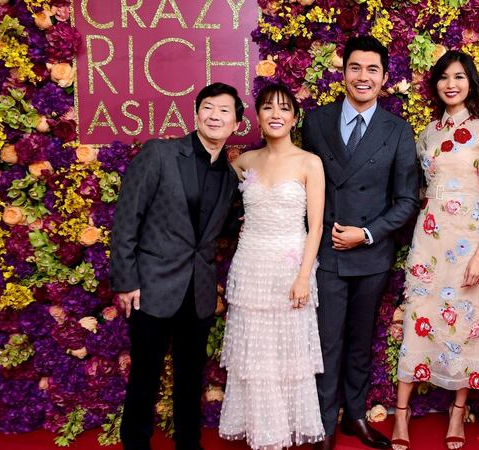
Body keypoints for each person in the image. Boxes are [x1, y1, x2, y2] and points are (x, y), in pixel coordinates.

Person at [391, 50, 479, 450]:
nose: (451, 84)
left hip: (469, 236)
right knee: (418, 315)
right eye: (444, 77)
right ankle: (401, 415)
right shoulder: (427, 133)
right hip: (429, 236)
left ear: (470, 82)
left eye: (459, 77)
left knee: (468, 319)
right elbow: (421, 190)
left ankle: (457, 412)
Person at [301, 35, 420, 450]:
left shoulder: (398, 131)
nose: (363, 76)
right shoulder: (315, 122)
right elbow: (302, 187)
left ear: (385, 77)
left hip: (371, 254)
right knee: (327, 341)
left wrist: (366, 233)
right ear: (344, 72)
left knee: (359, 342)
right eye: (356, 67)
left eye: (372, 69)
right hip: (328, 253)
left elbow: (406, 200)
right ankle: (322, 425)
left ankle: (353, 417)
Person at [110, 82, 244, 450]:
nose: (215, 116)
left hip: (198, 291)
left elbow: (218, 228)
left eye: (224, 111)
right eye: (208, 108)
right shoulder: (160, 154)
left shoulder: (230, 177)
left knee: (190, 376)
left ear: (236, 123)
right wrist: (125, 280)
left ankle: (189, 442)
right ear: (196, 113)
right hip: (151, 286)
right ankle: (136, 444)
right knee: (145, 376)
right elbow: (126, 219)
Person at [218, 84, 326, 449]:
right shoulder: (244, 162)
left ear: (294, 117)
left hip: (289, 266)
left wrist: (302, 278)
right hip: (250, 265)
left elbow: (317, 226)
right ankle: (263, 432)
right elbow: (218, 205)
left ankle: (285, 432)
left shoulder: (310, 162)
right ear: (258, 117)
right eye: (267, 108)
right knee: (256, 354)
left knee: (287, 355)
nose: (275, 114)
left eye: (283, 108)